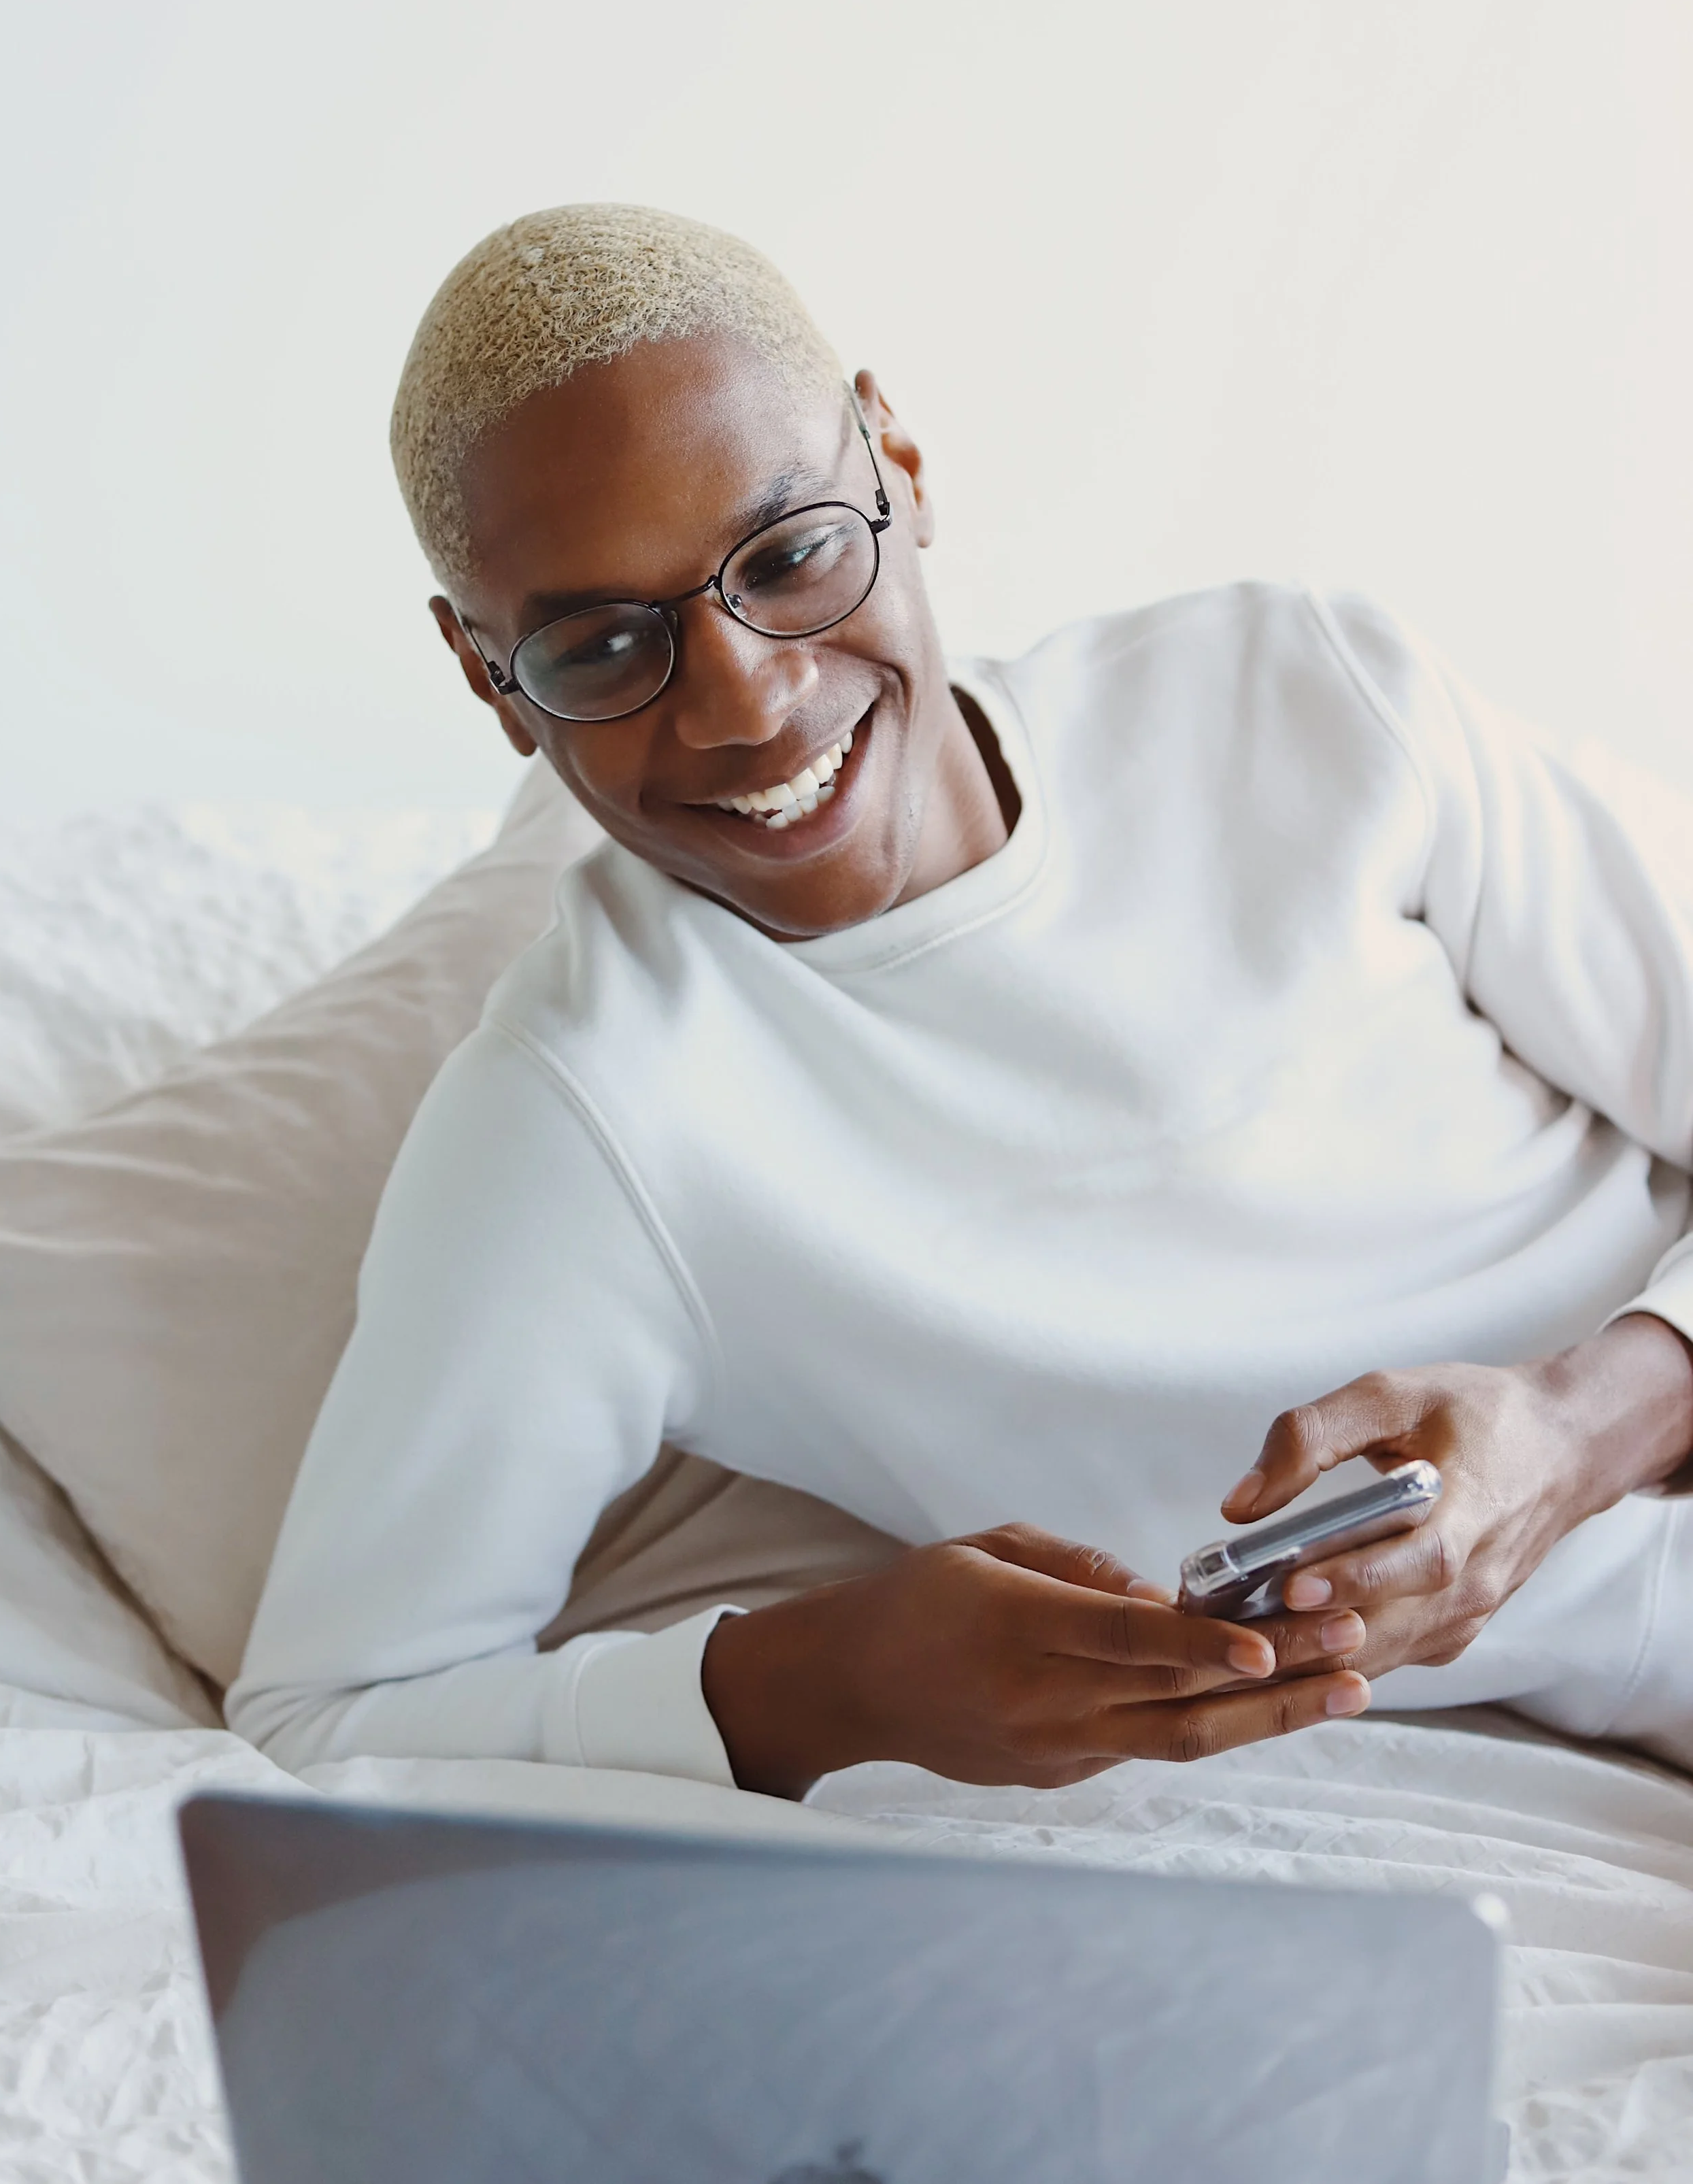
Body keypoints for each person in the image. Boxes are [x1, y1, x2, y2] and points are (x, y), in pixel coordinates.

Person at [227, 205, 1693, 1798]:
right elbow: (330, 1711)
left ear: (900, 467)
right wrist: (822, 1679)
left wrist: (1577, 1427)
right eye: (600, 649)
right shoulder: (589, 1121)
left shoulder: (1294, 697)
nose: (745, 703)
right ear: (484, 676)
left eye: (788, 557)